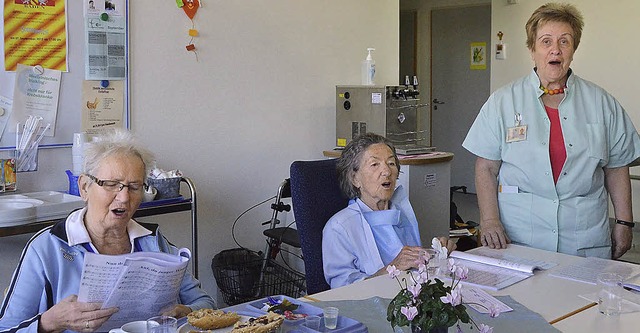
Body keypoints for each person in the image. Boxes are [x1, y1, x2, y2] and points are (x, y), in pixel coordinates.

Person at [463, 3, 640, 259]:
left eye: (564, 42)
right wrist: (489, 220)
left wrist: (624, 223)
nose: (555, 49)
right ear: (532, 49)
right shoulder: (503, 101)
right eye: (546, 41)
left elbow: (616, 166)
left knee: (586, 299)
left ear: (573, 49)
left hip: (584, 236)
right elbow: (486, 167)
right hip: (519, 237)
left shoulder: (601, 103)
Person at [0, 129, 215, 333]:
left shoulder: (153, 242)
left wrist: (186, 312)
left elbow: (205, 303)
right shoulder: (47, 248)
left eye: (134, 187)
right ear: (85, 187)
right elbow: (6, 328)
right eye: (112, 184)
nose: (123, 197)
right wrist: (50, 322)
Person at [322, 133, 456, 288]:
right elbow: (341, 290)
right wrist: (393, 268)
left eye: (391, 163)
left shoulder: (402, 212)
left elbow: (416, 269)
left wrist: (437, 254)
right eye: (374, 164)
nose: (386, 171)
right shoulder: (339, 227)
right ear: (355, 179)